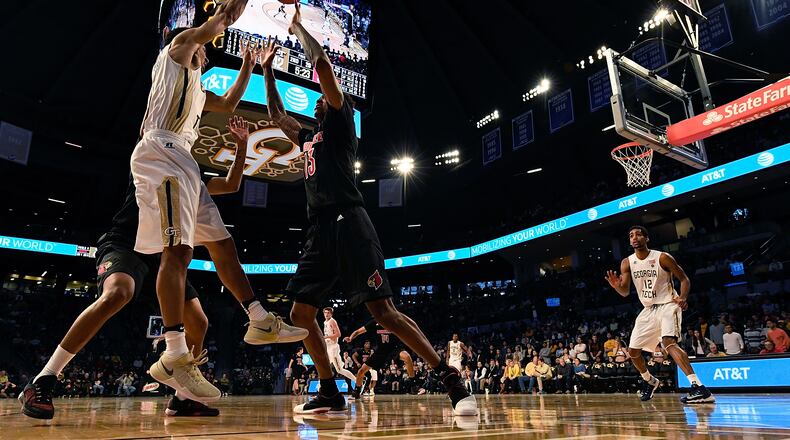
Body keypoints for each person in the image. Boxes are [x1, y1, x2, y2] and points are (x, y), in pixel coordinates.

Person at [261, 3, 476, 416]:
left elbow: (322, 66)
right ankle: (329, 390)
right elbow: (275, 115)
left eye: (323, 99)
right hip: (318, 231)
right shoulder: (309, 135)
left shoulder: (341, 126)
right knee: (299, 313)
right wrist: (268, 70)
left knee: (384, 312)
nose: (317, 103)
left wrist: (298, 28)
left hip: (349, 222)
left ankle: (447, 375)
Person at [18, 116, 258, 419]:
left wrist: (242, 145)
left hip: (160, 255)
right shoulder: (150, 159)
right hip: (126, 245)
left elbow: (232, 184)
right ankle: (44, 378)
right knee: (118, 292)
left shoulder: (187, 176)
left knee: (198, 321)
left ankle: (182, 397)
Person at [130, 0, 308, 404]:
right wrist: (232, 9)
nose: (207, 49)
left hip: (184, 161)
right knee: (178, 252)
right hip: (161, 153)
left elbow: (227, 104)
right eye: (205, 44)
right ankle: (174, 353)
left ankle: (260, 319)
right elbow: (220, 21)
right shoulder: (176, 49)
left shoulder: (196, 87)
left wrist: (248, 63)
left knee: (223, 244)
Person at [605, 225, 714, 403]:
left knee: (669, 343)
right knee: (633, 351)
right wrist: (617, 286)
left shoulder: (663, 257)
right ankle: (650, 381)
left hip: (668, 304)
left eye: (639, 234)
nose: (634, 237)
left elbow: (684, 279)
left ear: (646, 238)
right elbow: (625, 292)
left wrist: (683, 297)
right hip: (648, 309)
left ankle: (698, 387)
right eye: (631, 235)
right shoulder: (627, 262)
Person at [344, 319, 414, 401]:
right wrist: (350, 338)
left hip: (394, 349)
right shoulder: (374, 323)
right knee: (361, 372)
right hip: (381, 351)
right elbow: (358, 331)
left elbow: (410, 330)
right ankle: (356, 392)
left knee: (407, 357)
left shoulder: (395, 321)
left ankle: (412, 381)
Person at [321, 308, 358, 386]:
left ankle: (358, 381)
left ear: (331, 314)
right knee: (323, 368)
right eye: (325, 313)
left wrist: (325, 337)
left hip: (333, 348)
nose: (326, 314)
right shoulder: (325, 322)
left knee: (339, 370)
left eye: (328, 313)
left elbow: (338, 334)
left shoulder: (332, 321)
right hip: (328, 348)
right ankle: (320, 389)